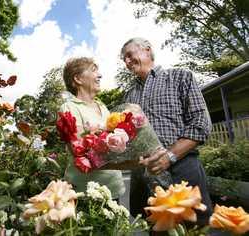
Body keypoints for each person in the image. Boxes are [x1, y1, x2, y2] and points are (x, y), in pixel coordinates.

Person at [120, 37, 213, 226]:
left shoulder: (180, 76)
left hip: (182, 166)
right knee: (156, 228)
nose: (127, 62)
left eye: (129, 55)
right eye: (124, 59)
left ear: (147, 50)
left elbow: (201, 122)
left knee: (195, 226)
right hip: (145, 173)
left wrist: (169, 155)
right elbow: (127, 138)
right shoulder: (128, 96)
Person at [59, 57, 125, 199]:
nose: (100, 75)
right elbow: (80, 153)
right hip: (86, 192)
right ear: (78, 79)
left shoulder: (102, 107)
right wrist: (129, 163)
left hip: (113, 188)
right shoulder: (69, 108)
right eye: (94, 70)